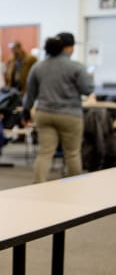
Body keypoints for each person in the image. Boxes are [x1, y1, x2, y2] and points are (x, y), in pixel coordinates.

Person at [22, 32, 94, 183]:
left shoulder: (38, 67)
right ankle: (75, 186)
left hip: (44, 114)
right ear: (68, 48)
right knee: (72, 154)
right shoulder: (76, 67)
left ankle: (37, 186)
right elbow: (87, 89)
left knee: (45, 153)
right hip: (70, 115)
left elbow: (30, 94)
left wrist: (25, 113)